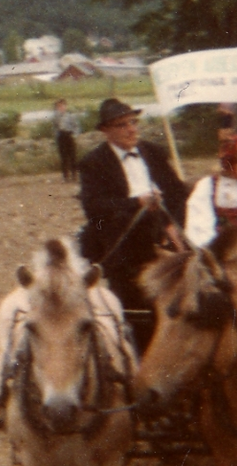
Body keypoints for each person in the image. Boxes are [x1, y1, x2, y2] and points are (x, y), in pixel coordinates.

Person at [77, 98, 188, 346]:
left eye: (133, 122)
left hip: (165, 242)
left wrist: (174, 226)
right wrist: (136, 203)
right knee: (137, 319)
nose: (131, 129)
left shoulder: (153, 152)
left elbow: (179, 193)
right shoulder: (94, 163)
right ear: (106, 131)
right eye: (121, 125)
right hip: (125, 250)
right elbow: (93, 207)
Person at [53, 98, 81, 182]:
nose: (61, 108)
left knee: (72, 156)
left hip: (69, 135)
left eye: (62, 106)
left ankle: (74, 175)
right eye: (59, 106)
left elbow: (76, 126)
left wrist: (75, 135)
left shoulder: (70, 116)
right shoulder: (56, 117)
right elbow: (55, 127)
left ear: (65, 106)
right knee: (63, 157)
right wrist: (56, 135)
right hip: (61, 136)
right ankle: (65, 176)